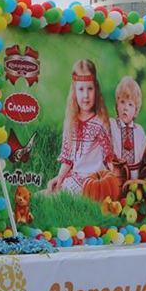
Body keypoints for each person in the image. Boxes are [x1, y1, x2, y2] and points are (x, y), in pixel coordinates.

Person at [47, 59, 114, 193]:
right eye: (81, 89)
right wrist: (59, 178)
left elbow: (109, 158)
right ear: (74, 92)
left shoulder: (100, 122)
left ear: (96, 90)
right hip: (75, 178)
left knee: (60, 195)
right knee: (46, 193)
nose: (86, 95)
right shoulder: (71, 123)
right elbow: (68, 159)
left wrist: (115, 179)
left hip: (95, 180)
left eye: (90, 89)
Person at [109, 76, 146, 181]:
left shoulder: (139, 130)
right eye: (122, 102)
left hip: (135, 178)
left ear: (136, 111)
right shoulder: (112, 124)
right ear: (117, 105)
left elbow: (145, 154)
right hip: (116, 176)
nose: (125, 108)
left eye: (130, 104)